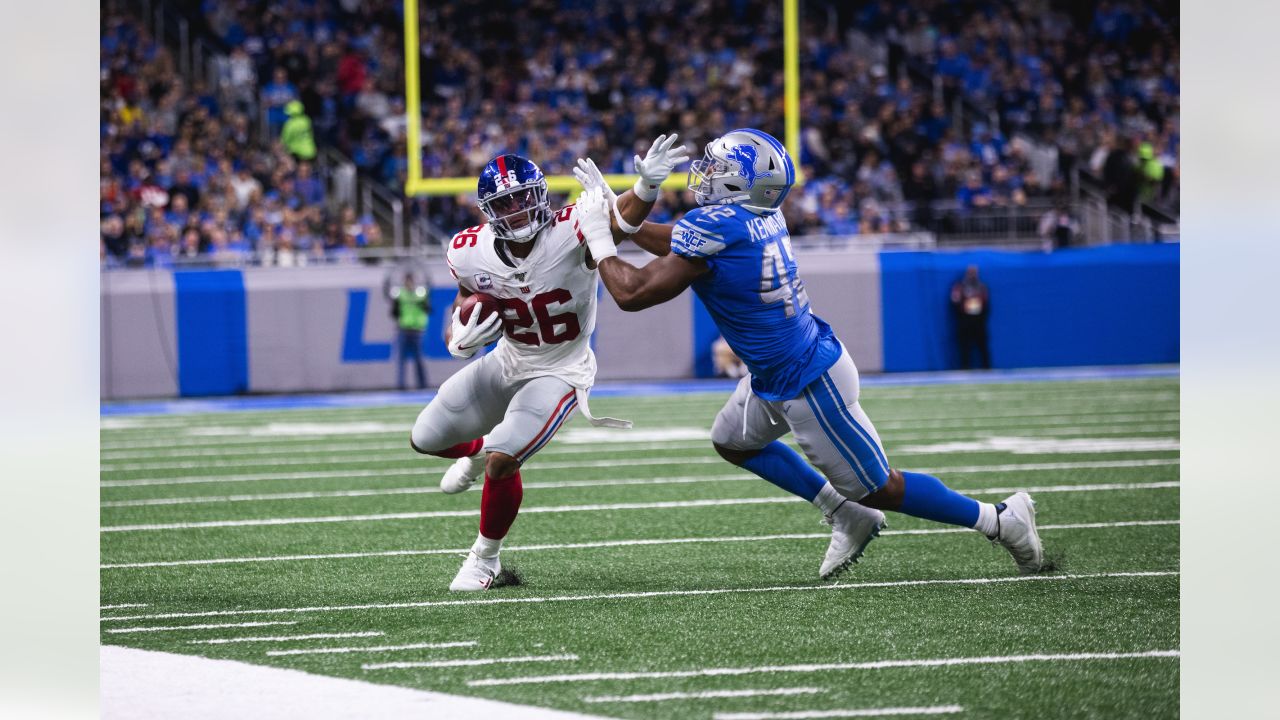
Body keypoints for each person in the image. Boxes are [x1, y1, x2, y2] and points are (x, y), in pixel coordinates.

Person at [572, 128, 1045, 579]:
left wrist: (601, 234)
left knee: (880, 487)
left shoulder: (721, 225)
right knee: (732, 441)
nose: (706, 174)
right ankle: (845, 514)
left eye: (717, 168)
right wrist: (627, 205)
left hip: (807, 379)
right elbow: (673, 239)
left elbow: (634, 293)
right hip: (779, 370)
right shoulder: (754, 215)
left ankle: (1000, 519)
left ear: (741, 182)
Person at [408, 135, 689, 591]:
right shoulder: (466, 250)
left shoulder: (571, 227)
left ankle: (485, 558)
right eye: (505, 203)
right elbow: (463, 299)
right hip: (507, 360)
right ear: (487, 210)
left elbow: (618, 222)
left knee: (504, 460)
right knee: (425, 438)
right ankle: (477, 451)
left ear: (540, 195)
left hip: (561, 369)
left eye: (523, 198)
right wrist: (456, 336)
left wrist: (646, 187)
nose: (517, 210)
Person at [387, 272, 431, 390]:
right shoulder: (400, 294)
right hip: (403, 329)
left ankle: (422, 385)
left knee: (419, 360)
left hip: (417, 330)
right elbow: (394, 311)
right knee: (401, 360)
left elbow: (428, 308)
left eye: (410, 281)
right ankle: (401, 386)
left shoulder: (420, 294)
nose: (408, 284)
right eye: (407, 281)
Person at [950, 265, 992, 369]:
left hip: (978, 320)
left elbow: (986, 303)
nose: (973, 275)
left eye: (974, 272)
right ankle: (965, 367)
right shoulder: (960, 286)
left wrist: (982, 316)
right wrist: (962, 314)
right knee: (964, 346)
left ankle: (987, 368)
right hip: (965, 320)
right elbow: (955, 301)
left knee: (982, 345)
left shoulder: (981, 286)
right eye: (971, 272)